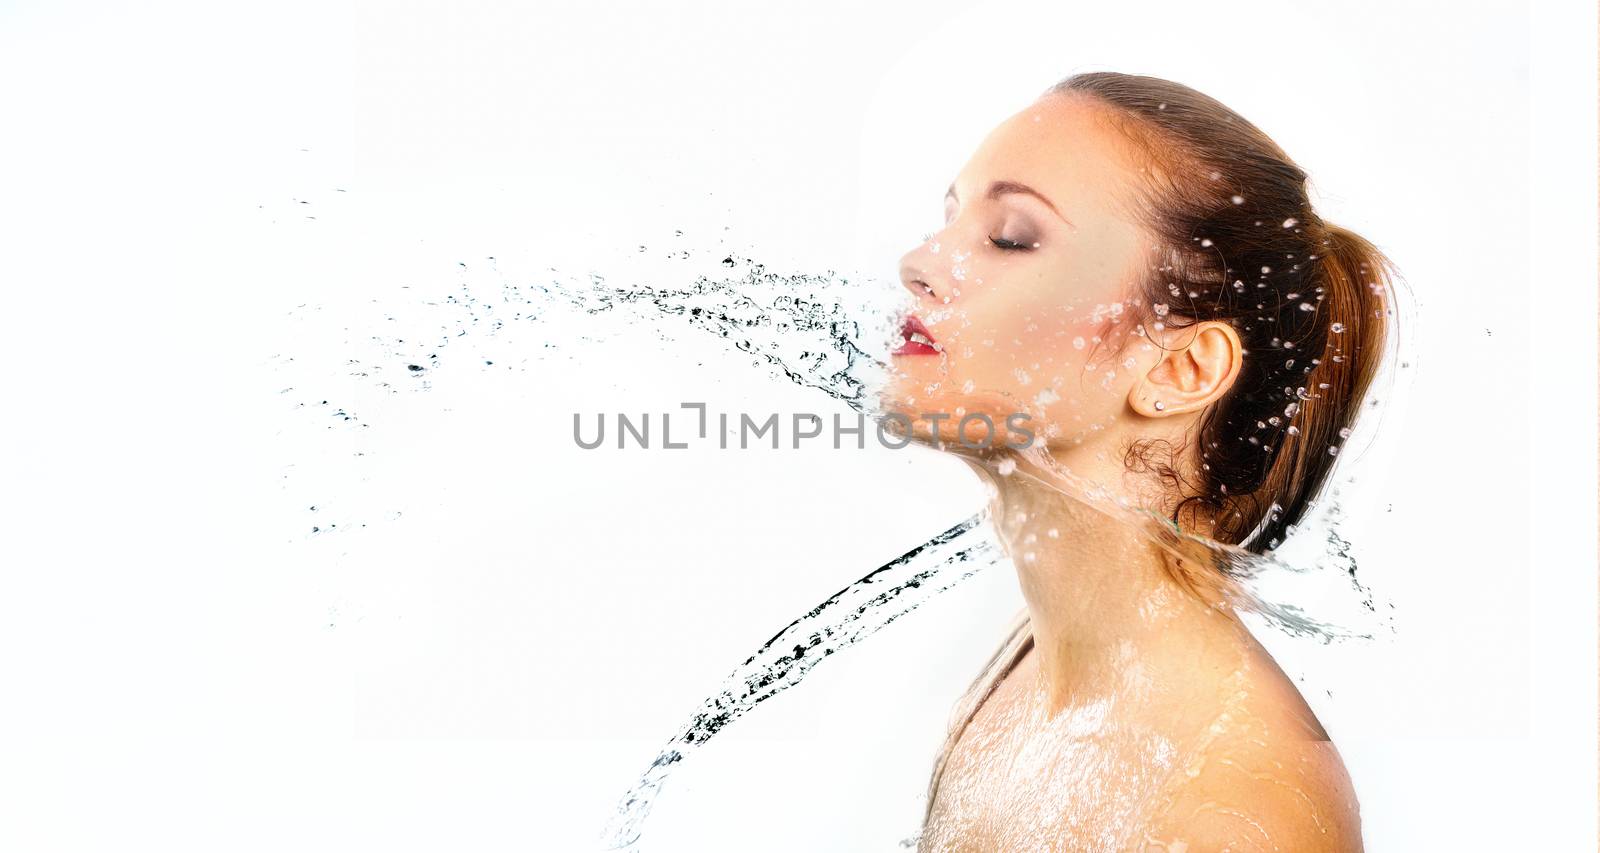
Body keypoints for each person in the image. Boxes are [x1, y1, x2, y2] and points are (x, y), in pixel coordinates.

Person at [885, 71, 1394, 852]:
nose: (919, 262)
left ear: (1179, 369)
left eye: (1012, 236)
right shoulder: (1024, 686)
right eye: (949, 221)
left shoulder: (1238, 809)